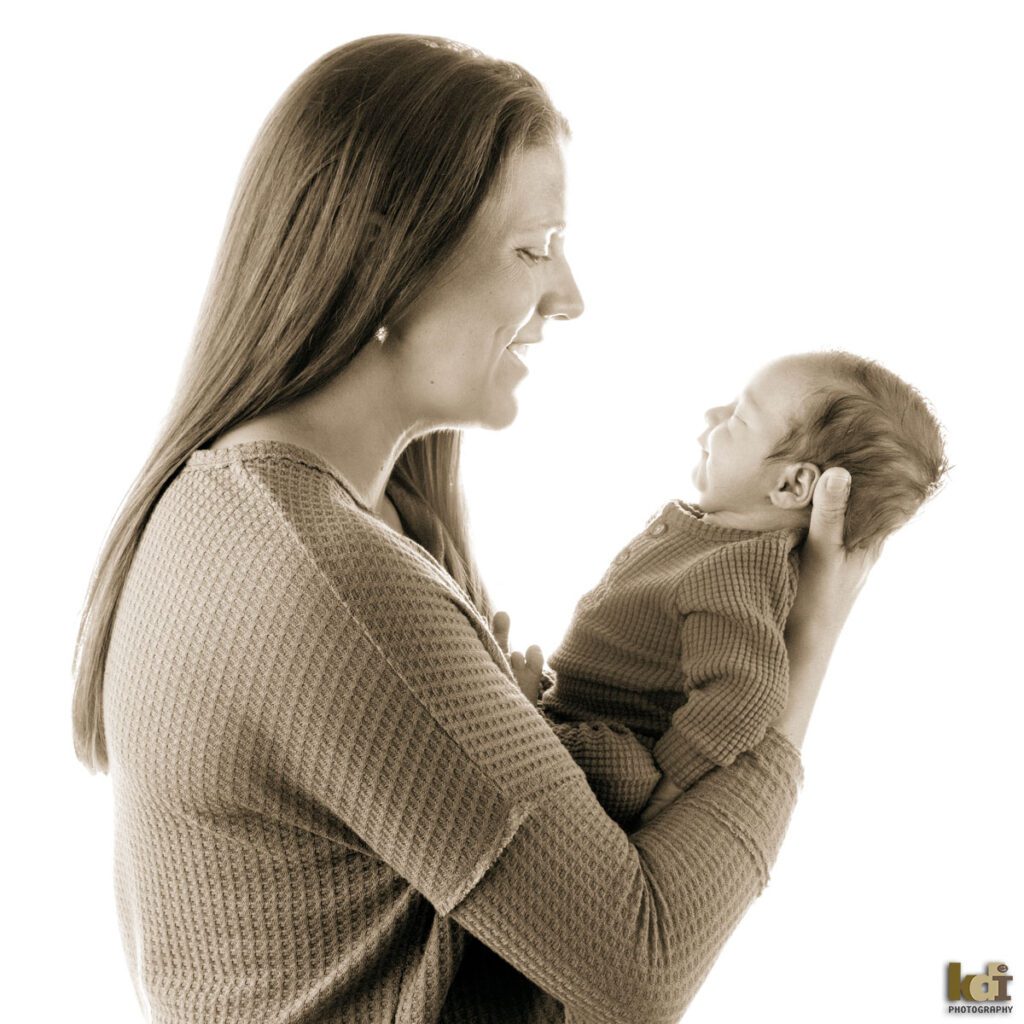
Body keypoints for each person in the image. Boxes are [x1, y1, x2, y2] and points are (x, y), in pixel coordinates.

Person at [72, 35, 878, 1024]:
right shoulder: (330, 578)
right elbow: (639, 964)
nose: (569, 296)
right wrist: (801, 659)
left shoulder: (262, 505)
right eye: (534, 248)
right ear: (386, 259)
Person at [531, 351, 947, 827]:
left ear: (792, 486)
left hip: (614, 745)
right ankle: (538, 718)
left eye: (738, 416)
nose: (713, 416)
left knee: (616, 772)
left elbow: (744, 693)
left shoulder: (740, 569)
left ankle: (533, 726)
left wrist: (669, 789)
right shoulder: (715, 541)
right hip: (580, 707)